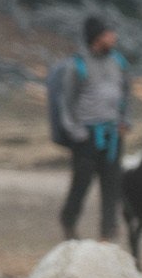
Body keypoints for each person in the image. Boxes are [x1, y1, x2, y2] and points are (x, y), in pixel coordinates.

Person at [53, 16, 131, 240]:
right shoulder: (77, 66)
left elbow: (127, 94)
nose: (114, 38)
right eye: (109, 34)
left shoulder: (119, 63)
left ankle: (108, 233)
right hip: (86, 136)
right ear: (97, 38)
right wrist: (76, 131)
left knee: (112, 186)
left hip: (113, 135)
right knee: (81, 185)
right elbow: (65, 104)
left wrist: (125, 121)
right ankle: (69, 221)